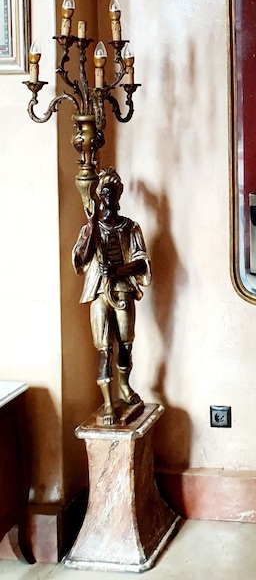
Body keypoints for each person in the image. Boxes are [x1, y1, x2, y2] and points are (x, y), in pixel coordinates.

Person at [72, 168, 151, 424]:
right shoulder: (92, 228)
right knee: (104, 347)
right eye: (104, 192)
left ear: (118, 195)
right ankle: (107, 402)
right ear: (98, 196)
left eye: (112, 192)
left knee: (126, 343)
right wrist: (91, 224)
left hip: (123, 289)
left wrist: (118, 270)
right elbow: (82, 258)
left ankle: (125, 386)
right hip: (99, 292)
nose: (108, 197)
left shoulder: (130, 227)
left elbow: (142, 261)